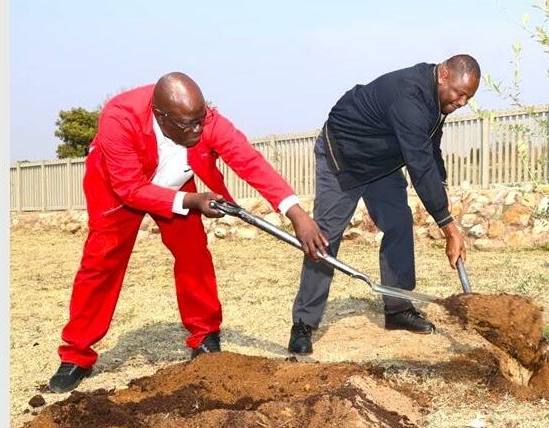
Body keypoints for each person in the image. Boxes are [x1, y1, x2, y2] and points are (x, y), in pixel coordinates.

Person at [49, 72, 327, 393]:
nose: (197, 130)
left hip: (176, 184)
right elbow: (130, 188)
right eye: (187, 125)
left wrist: (296, 213)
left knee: (194, 253)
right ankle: (77, 354)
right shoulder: (119, 117)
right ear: (160, 116)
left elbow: (249, 161)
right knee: (101, 262)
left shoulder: (204, 119)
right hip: (118, 187)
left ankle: (204, 334)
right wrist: (192, 201)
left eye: (200, 121)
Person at [287, 54, 481, 355]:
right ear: (444, 74)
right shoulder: (409, 97)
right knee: (324, 237)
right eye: (460, 93)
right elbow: (419, 165)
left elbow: (431, 146)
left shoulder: (436, 99)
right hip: (344, 157)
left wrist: (442, 185)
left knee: (399, 223)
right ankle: (303, 322)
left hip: (381, 164)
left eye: (468, 97)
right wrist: (448, 227)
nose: (462, 102)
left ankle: (398, 308)